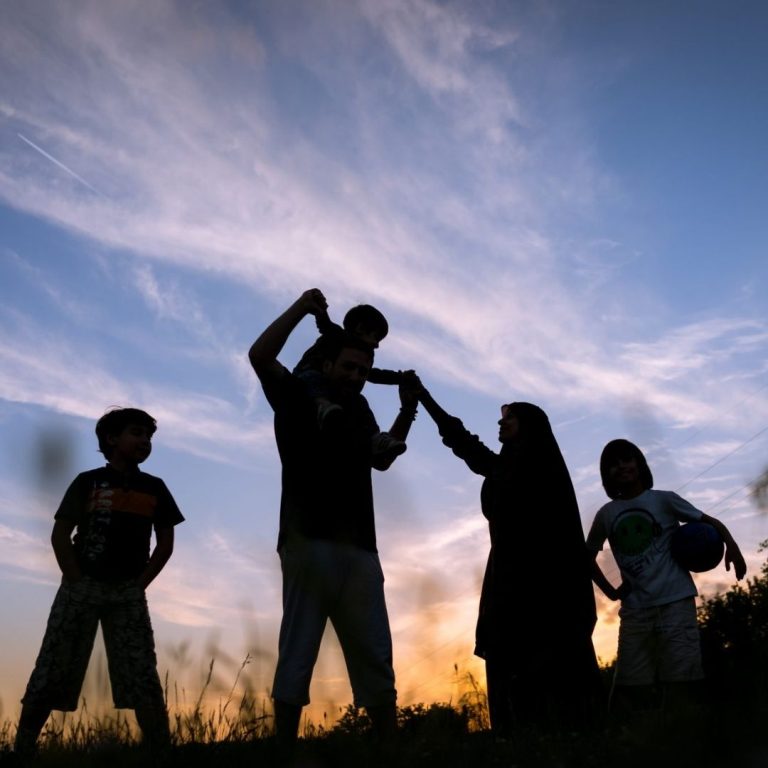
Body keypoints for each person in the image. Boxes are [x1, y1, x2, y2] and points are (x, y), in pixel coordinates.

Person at [248, 288, 418, 752]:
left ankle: (388, 750)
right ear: (327, 364)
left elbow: (381, 458)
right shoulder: (297, 393)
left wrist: (406, 411)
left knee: (374, 652)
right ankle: (285, 751)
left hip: (360, 546)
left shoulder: (359, 410)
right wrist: (302, 307)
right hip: (308, 539)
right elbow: (260, 355)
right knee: (299, 649)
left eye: (363, 371)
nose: (358, 376)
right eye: (349, 367)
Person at [416, 386, 602, 734]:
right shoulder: (503, 467)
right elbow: (462, 441)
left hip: (544, 588)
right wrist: (424, 398)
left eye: (509, 418)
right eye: (501, 419)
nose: (501, 424)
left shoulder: (540, 469)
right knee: (514, 682)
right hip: (508, 581)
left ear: (529, 425)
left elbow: (567, 544)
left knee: (550, 680)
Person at [14, 408, 183, 761]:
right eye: (136, 433)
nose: (145, 441)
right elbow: (61, 534)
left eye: (149, 436)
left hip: (127, 593)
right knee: (54, 665)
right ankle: (22, 748)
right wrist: (75, 580)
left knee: (141, 672)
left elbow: (165, 543)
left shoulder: (154, 487)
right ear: (111, 439)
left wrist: (139, 585)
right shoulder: (88, 482)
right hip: (81, 589)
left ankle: (160, 751)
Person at [587, 438, 747, 718]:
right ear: (606, 475)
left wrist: (732, 547)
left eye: (627, 459)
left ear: (639, 463)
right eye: (613, 464)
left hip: (676, 603)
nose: (621, 466)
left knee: (683, 681)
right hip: (636, 612)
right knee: (629, 688)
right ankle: (621, 736)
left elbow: (711, 522)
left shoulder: (664, 500)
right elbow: (585, 557)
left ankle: (683, 734)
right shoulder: (606, 514)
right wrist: (611, 592)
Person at [294, 303, 414, 461]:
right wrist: (319, 309)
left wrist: (399, 378)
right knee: (314, 379)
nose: (377, 344)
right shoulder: (337, 336)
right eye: (376, 337)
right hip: (306, 375)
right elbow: (324, 324)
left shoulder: (363, 357)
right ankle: (322, 404)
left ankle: (375, 439)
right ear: (360, 328)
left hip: (332, 393)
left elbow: (372, 374)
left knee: (360, 402)